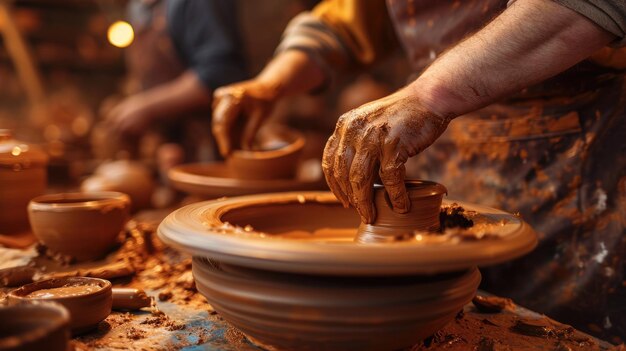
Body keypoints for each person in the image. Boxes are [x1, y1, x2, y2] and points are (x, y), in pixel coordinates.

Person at [212, 0, 626, 342]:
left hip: (576, 165)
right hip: (440, 151)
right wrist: (272, 82)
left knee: (556, 333)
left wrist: (432, 93)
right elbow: (350, 20)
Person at [103, 0, 247, 165]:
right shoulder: (137, 8)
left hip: (209, 152)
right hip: (165, 150)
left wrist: (146, 106)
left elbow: (220, 74)